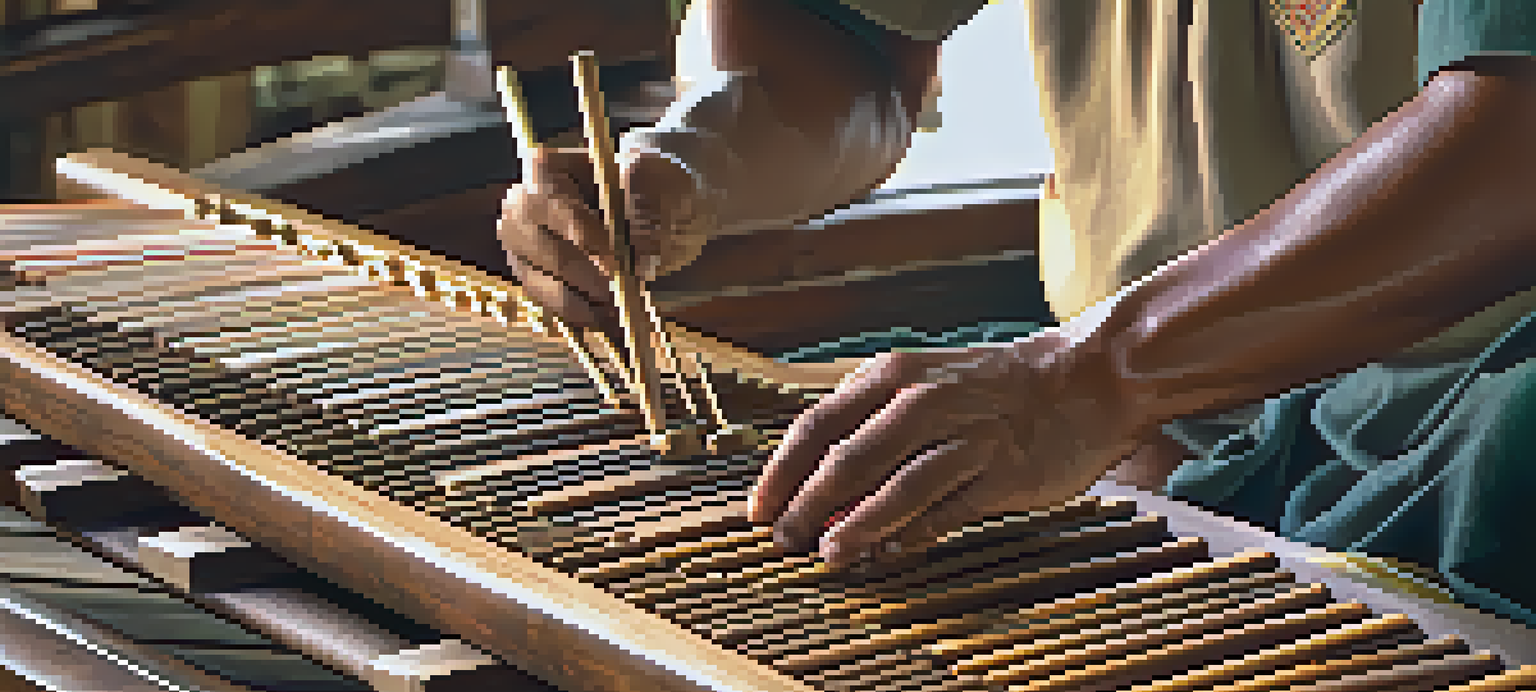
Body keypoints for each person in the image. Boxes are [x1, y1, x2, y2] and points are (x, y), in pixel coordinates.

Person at [498, 0, 1536, 624]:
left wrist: (1089, 383)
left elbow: (1513, 139)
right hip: (1114, 386)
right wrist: (689, 165)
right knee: (768, 434)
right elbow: (842, 38)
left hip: (1455, 410)